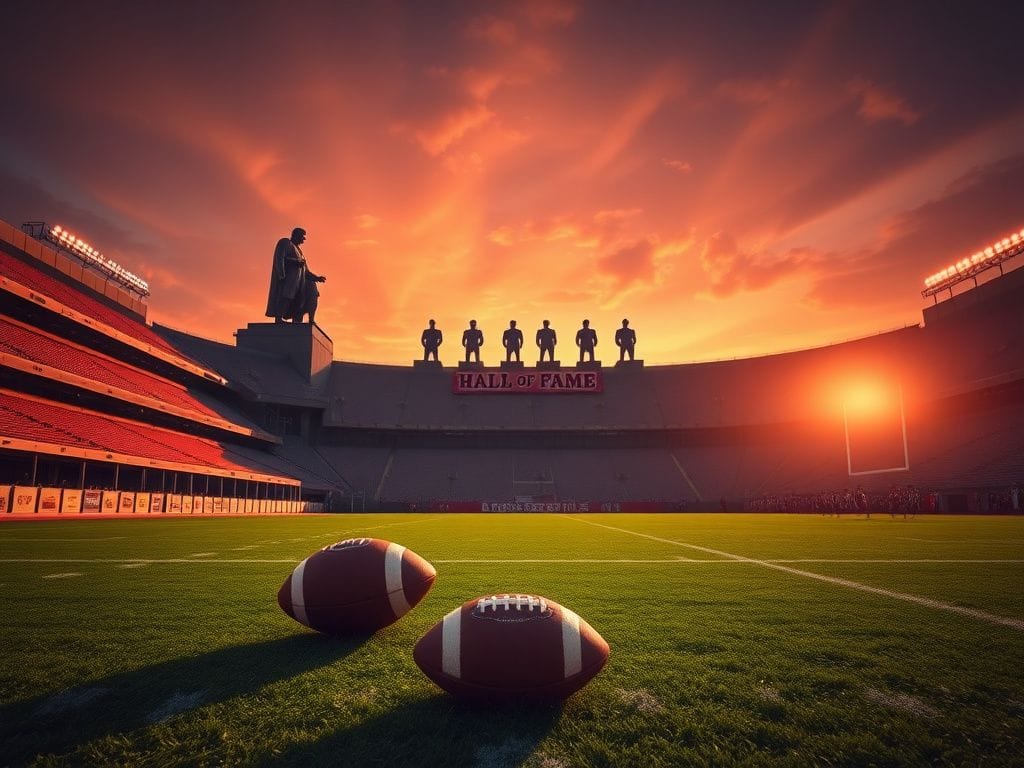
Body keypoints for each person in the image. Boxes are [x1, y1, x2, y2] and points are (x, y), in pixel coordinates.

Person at [265, 228, 326, 323]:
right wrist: (282, 275)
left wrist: (316, 278)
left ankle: (298, 321)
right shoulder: (285, 243)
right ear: (296, 235)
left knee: (298, 302)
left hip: (299, 282)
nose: (304, 239)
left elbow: (306, 271)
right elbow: (280, 258)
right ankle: (278, 318)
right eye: (302, 236)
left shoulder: (300, 253)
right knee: (286, 297)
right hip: (288, 279)